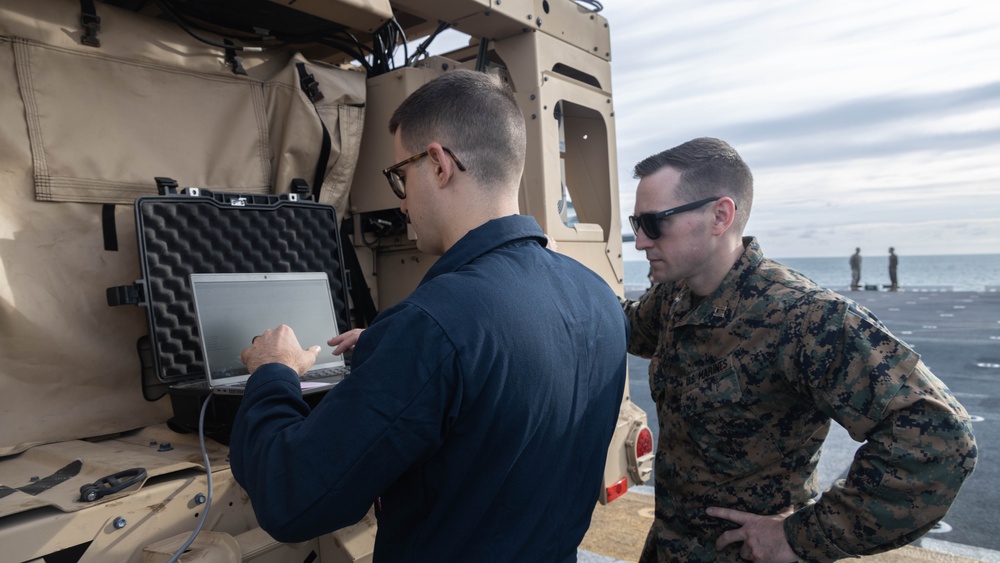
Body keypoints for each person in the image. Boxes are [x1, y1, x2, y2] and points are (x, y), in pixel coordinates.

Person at [228, 69, 629, 562]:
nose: (401, 202)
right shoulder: (599, 299)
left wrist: (274, 372)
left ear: (438, 164)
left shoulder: (433, 325)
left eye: (400, 175)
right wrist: (390, 355)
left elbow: (292, 501)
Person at [621, 137, 977, 562]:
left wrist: (802, 536)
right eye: (635, 222)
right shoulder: (675, 299)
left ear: (720, 215)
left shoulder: (803, 316)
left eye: (654, 223)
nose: (640, 241)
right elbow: (623, 326)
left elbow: (940, 436)